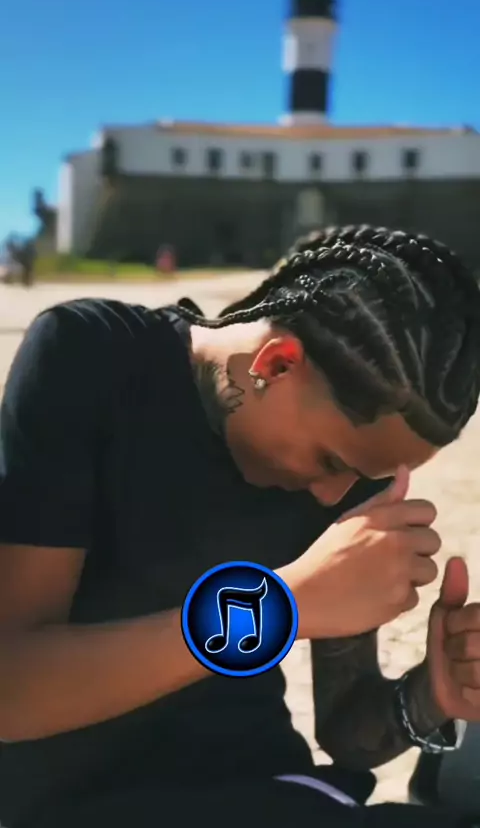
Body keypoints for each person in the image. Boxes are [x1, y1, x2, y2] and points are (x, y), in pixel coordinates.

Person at [0, 224, 480, 828]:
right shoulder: (94, 357)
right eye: (331, 461)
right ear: (275, 364)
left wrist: (430, 695)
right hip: (74, 805)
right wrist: (278, 606)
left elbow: (346, 733)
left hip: (267, 790)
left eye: (365, 478)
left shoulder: (352, 474)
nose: (335, 496)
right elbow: (12, 689)